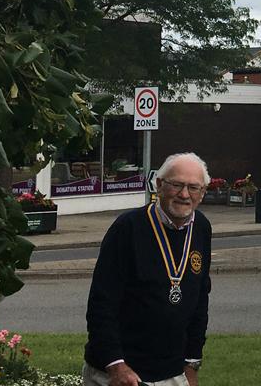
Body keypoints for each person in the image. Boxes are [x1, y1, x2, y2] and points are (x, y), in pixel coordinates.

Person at [84, 152, 212, 386]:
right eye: (176, 185)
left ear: (202, 193)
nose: (184, 194)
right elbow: (102, 303)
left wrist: (192, 364)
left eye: (194, 187)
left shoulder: (202, 228)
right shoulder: (127, 228)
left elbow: (200, 299)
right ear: (160, 185)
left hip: (173, 373)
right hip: (121, 374)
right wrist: (116, 366)